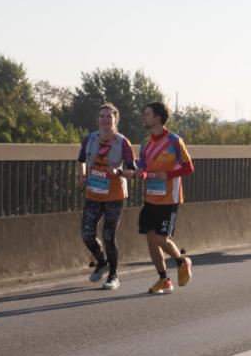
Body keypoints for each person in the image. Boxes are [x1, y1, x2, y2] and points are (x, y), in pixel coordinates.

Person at [136, 101, 195, 295]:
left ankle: (182, 261)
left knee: (161, 238)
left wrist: (167, 175)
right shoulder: (145, 143)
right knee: (151, 239)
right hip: (151, 197)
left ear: (158, 118)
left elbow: (189, 167)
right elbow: (143, 167)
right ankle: (163, 280)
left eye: (147, 114)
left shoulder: (174, 141)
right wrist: (140, 174)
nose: (144, 117)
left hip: (169, 198)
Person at [77, 103, 136, 290]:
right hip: (93, 193)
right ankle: (102, 261)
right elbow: (80, 161)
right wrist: (82, 177)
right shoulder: (90, 139)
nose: (105, 119)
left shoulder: (122, 142)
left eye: (109, 116)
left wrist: (118, 171)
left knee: (109, 236)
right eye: (102, 116)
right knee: (87, 234)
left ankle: (113, 275)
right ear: (98, 119)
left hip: (115, 195)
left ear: (115, 119)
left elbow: (132, 171)